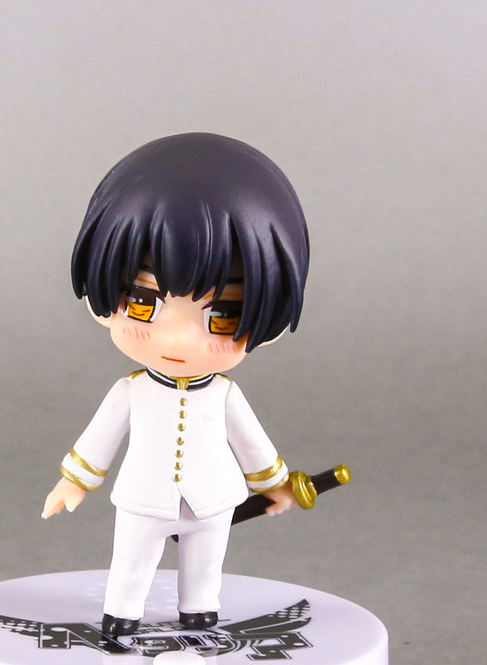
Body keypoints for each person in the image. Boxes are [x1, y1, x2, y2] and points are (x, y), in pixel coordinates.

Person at [42, 133, 310, 638]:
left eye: (222, 314)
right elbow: (100, 439)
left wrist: (275, 485)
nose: (177, 338)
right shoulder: (131, 391)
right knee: (131, 559)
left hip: (213, 499)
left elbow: (252, 443)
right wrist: (74, 481)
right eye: (144, 302)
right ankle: (121, 615)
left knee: (205, 565)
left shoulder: (224, 395)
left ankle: (200, 614)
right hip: (143, 496)